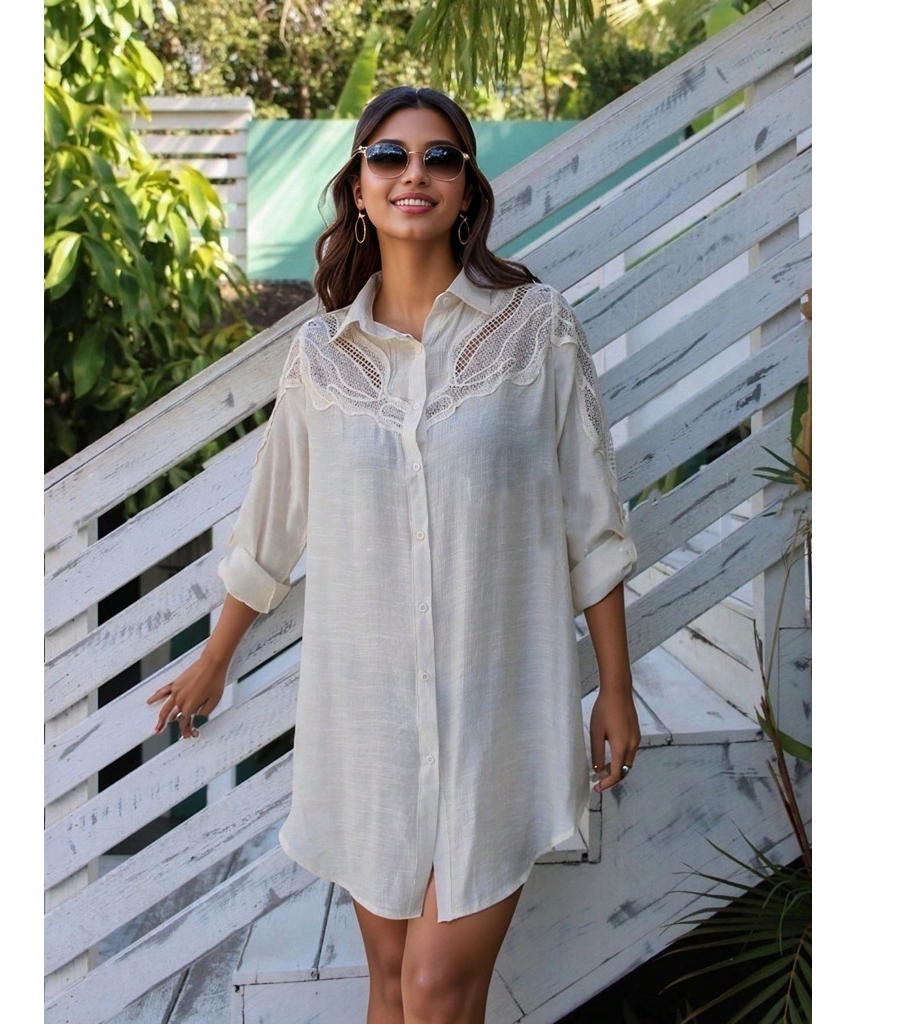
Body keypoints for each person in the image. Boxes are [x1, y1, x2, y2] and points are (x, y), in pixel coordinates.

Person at [148, 86, 641, 1024]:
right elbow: (272, 526)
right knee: (386, 984)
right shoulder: (321, 358)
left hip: (497, 716)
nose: (415, 173)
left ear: (467, 188)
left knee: (435, 989)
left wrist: (613, 687)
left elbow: (593, 522)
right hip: (368, 723)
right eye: (390, 155)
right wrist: (216, 657)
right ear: (360, 188)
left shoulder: (536, 329)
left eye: (440, 156)